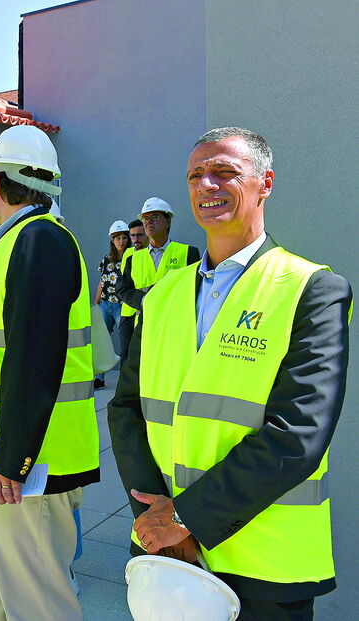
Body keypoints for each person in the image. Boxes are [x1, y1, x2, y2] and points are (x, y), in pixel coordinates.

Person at [109, 128, 350, 620]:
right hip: (167, 554)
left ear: (265, 184)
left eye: (225, 173)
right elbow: (126, 410)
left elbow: (297, 436)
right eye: (196, 174)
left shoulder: (313, 289)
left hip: (264, 563)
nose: (206, 185)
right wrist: (155, 519)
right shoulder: (162, 295)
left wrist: (184, 518)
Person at [0, 125, 100, 621]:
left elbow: (34, 361)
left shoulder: (39, 241)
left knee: (37, 609)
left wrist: (12, 460)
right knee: (3, 602)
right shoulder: (15, 245)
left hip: (24, 471)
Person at [115, 198, 200, 361]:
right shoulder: (134, 258)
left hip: (175, 324)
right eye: (145, 218)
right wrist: (145, 300)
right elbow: (123, 288)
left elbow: (196, 289)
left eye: (154, 217)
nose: (149, 222)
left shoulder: (188, 253)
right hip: (142, 323)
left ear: (168, 221)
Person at [92, 219, 130, 389]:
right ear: (112, 240)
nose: (121, 241)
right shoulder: (107, 259)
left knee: (125, 343)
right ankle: (99, 378)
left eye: (124, 237)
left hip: (122, 305)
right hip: (105, 305)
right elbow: (102, 281)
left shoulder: (132, 258)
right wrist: (96, 302)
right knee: (102, 341)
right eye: (117, 238)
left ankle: (126, 379)